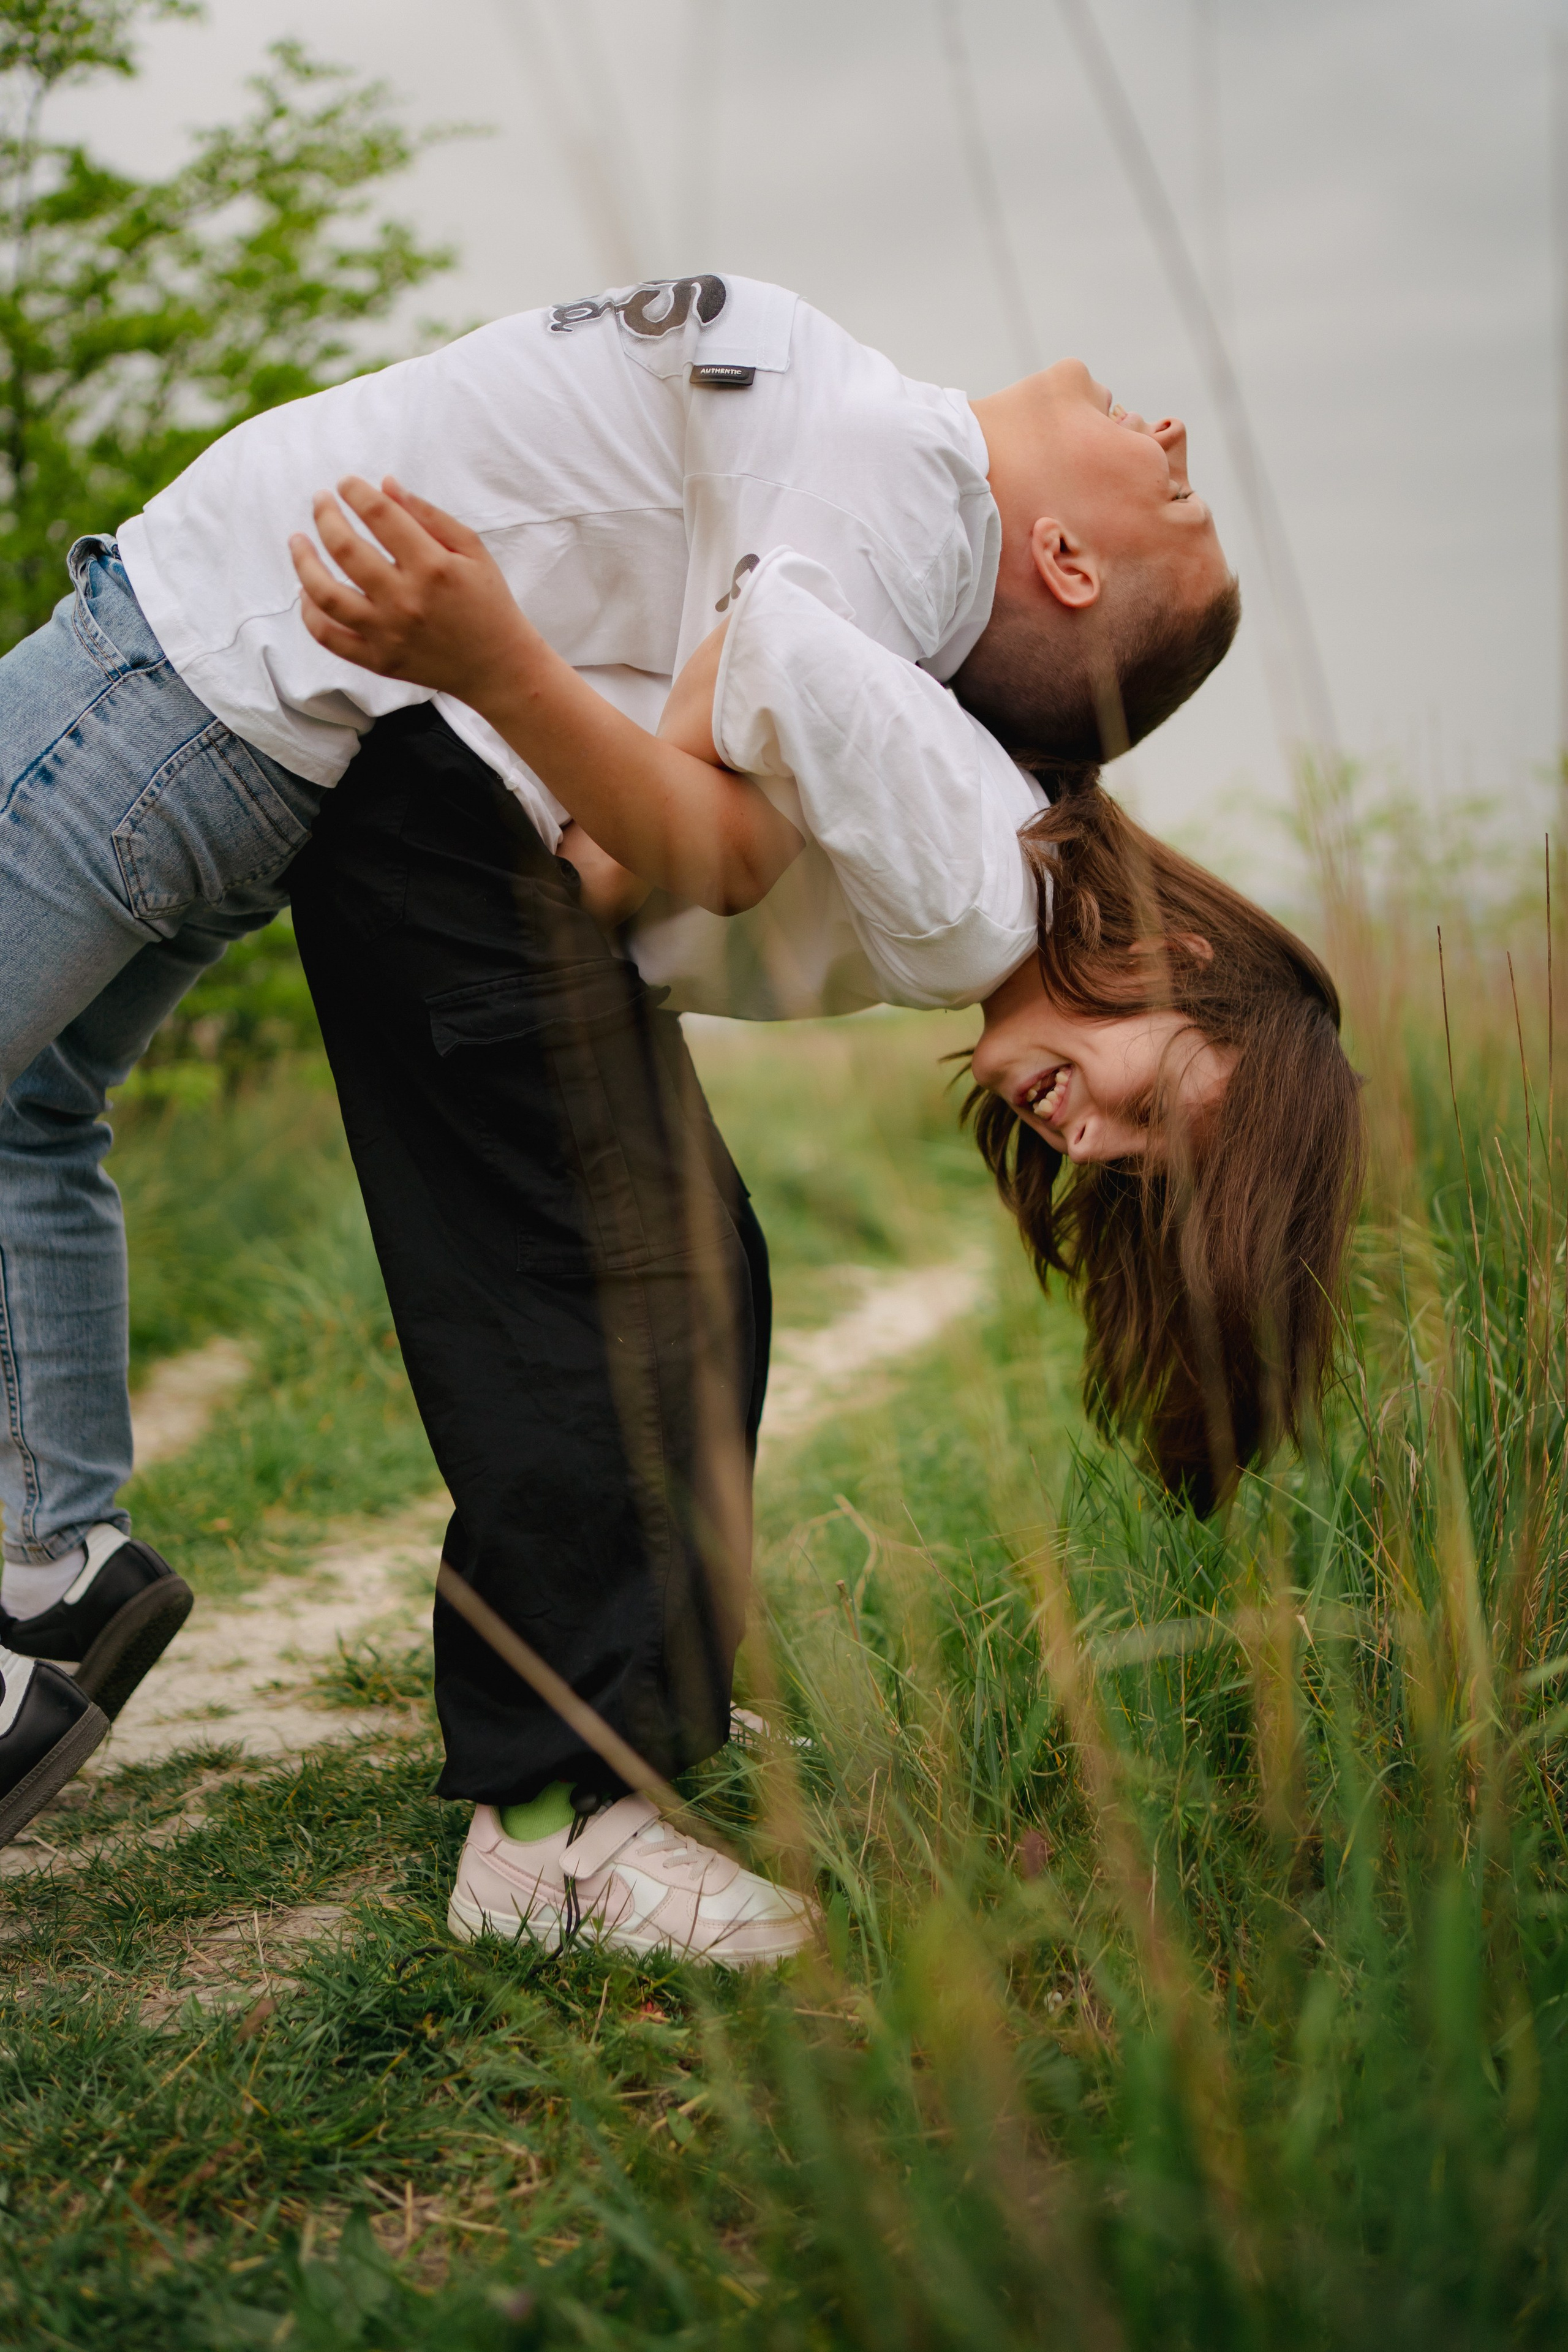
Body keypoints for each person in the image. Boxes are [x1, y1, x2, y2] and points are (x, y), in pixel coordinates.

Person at [0, 270, 1237, 1877]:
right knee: (34, 1107)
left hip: (202, 664)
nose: (1169, 432)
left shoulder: (913, 500)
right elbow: (724, 763)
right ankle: (53, 1563)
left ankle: (84, 1579)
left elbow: (729, 824)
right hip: (244, 675)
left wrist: (536, 696)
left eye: (1177, 490)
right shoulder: (898, 494)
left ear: (1070, 564)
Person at [274, 475, 1355, 1964]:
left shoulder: (988, 906)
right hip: (468, 838)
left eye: (1127, 1165)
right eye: (1149, 1108)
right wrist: (617, 844)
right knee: (611, 1311)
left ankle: (657, 1706)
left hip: (484, 850)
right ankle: (548, 1836)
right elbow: (773, 627)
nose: (1089, 1142)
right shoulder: (979, 891)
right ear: (1176, 957)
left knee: (708, 1273)